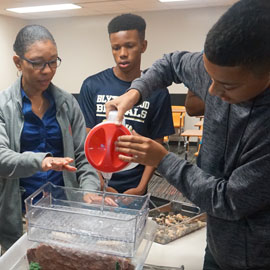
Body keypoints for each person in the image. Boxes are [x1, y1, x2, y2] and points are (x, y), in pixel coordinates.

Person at [105, 0, 270, 269]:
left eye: (228, 85)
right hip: (216, 243)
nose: (212, 92)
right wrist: (133, 93)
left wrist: (163, 159)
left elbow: (226, 199)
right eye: (209, 77)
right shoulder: (215, 74)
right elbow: (170, 63)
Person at [0, 25, 100, 252]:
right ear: (18, 62)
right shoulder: (3, 105)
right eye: (37, 63)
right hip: (20, 218)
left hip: (65, 213)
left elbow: (84, 156)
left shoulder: (66, 103)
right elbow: (1, 158)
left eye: (53, 61)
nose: (47, 70)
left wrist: (89, 190)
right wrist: (42, 161)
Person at [79, 14, 174, 195]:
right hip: (99, 181)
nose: (122, 53)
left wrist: (140, 187)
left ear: (143, 46)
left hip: (136, 183)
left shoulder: (158, 91)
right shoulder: (92, 85)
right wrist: (99, 181)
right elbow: (88, 138)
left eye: (129, 46)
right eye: (116, 48)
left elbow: (156, 142)